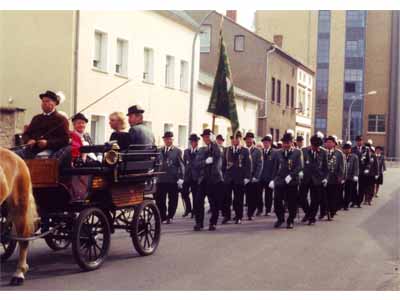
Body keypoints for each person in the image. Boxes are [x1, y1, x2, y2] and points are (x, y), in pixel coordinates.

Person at [16, 90, 69, 160]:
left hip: (51, 151)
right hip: (32, 150)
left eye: (47, 101)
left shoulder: (61, 119)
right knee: (12, 155)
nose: (44, 103)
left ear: (55, 103)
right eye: (43, 101)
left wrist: (48, 143)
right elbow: (26, 134)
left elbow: (65, 140)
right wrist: (29, 140)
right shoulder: (36, 118)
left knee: (41, 157)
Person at [270, 132, 303, 229]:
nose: (286, 145)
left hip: (292, 181)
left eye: (288, 142)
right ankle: (280, 218)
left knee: (292, 202)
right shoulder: (277, 153)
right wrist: (273, 180)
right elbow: (275, 168)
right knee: (277, 201)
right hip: (280, 180)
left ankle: (290, 220)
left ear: (292, 143)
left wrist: (291, 176)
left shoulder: (297, 152)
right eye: (284, 142)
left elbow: (299, 166)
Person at [193, 129, 224, 231]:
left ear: (212, 137)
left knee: (214, 203)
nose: (206, 139)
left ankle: (213, 223)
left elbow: (217, 164)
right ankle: (199, 223)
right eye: (204, 137)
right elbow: (196, 164)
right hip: (203, 180)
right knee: (198, 201)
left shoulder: (217, 149)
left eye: (208, 136)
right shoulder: (202, 150)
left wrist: (214, 143)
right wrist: (205, 162)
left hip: (214, 180)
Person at [221, 131, 251, 224]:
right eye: (232, 139)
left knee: (238, 199)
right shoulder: (226, 150)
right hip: (228, 178)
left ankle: (238, 216)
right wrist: (223, 175)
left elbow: (248, 165)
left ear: (239, 139)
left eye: (236, 138)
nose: (234, 140)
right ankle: (226, 216)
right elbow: (223, 165)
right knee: (226, 198)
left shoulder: (245, 150)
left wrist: (247, 177)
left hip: (239, 178)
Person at [155, 131, 185, 224]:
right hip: (161, 179)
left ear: (173, 140)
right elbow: (156, 163)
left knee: (173, 199)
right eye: (166, 139)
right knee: (160, 199)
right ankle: (163, 216)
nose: (168, 140)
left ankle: (170, 216)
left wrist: (181, 178)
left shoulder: (177, 151)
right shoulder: (159, 151)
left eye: (170, 139)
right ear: (164, 140)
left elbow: (181, 165)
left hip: (173, 179)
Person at [300, 134, 328, 225]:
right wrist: (300, 172)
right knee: (301, 198)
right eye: (314, 146)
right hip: (305, 178)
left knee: (315, 200)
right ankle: (308, 213)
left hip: (317, 179)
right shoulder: (303, 151)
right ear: (311, 144)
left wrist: (325, 178)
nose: (315, 148)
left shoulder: (323, 152)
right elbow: (299, 164)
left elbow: (326, 167)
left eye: (317, 146)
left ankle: (312, 217)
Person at [322, 136, 344, 220]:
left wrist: (340, 176)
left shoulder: (339, 153)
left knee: (333, 196)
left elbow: (341, 166)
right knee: (324, 196)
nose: (329, 144)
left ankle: (331, 212)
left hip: (334, 178)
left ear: (334, 144)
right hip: (324, 178)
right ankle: (323, 212)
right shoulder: (322, 152)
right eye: (327, 142)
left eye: (331, 142)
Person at [244, 132, 263, 220]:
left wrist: (256, 176)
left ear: (253, 140)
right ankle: (239, 214)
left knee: (252, 197)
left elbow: (260, 164)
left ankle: (250, 213)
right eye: (247, 139)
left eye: (250, 138)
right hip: (243, 177)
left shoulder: (257, 151)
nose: (248, 140)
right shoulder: (242, 150)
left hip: (253, 177)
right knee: (243, 196)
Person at [181, 133, 201, 218]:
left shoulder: (200, 151)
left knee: (195, 195)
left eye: (195, 141)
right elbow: (184, 163)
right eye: (192, 141)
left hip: (196, 177)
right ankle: (188, 208)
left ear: (197, 142)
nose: (193, 142)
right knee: (184, 193)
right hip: (187, 176)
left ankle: (194, 211)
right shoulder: (186, 151)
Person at [359, 140, 378, 205]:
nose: (367, 149)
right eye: (366, 147)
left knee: (371, 187)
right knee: (365, 187)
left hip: (372, 174)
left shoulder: (373, 156)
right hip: (365, 175)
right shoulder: (363, 155)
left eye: (368, 147)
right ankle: (366, 199)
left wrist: (377, 174)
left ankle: (369, 199)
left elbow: (376, 165)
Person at [260, 134, 275, 216]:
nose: (265, 144)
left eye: (266, 142)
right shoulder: (260, 151)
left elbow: (275, 166)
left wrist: (273, 178)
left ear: (270, 143)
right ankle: (259, 208)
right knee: (258, 194)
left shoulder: (274, 153)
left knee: (268, 195)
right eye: (264, 142)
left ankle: (268, 210)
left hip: (269, 177)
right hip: (260, 177)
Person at [342, 142, 359, 210]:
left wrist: (355, 175)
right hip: (342, 177)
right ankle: (340, 203)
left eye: (348, 149)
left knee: (348, 192)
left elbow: (356, 167)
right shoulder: (341, 156)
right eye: (345, 149)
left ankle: (346, 205)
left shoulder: (354, 157)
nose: (346, 150)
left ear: (350, 149)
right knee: (339, 191)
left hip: (350, 177)